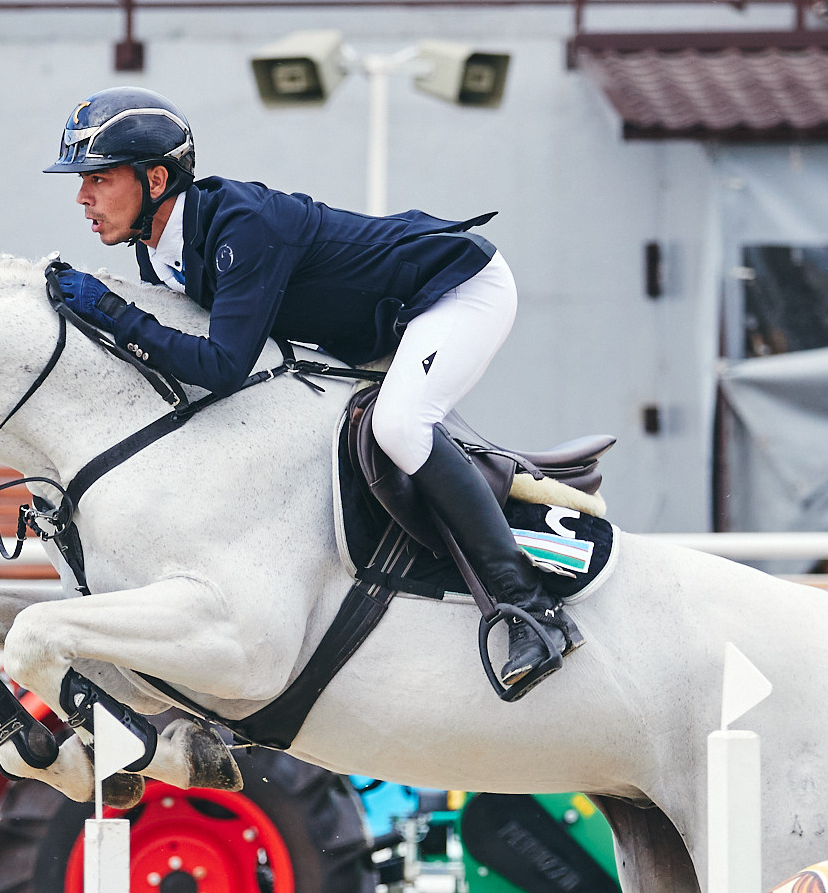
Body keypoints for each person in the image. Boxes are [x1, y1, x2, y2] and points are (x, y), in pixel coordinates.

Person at [44, 86, 580, 695]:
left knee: (401, 426)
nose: (82, 196)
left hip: (453, 291)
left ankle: (531, 609)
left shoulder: (241, 228)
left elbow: (221, 365)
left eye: (99, 176)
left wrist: (110, 310)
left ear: (156, 178)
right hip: (376, 326)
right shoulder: (160, 254)